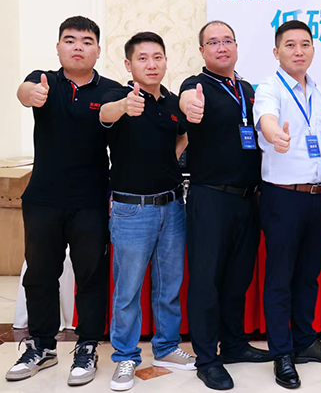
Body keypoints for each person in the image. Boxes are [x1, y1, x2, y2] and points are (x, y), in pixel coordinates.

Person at [6, 16, 122, 386]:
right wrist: (30, 94)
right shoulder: (44, 81)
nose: (77, 47)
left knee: (91, 275)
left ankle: (87, 346)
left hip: (91, 200)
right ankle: (41, 346)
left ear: (98, 50)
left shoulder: (111, 90)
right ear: (58, 47)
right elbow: (24, 91)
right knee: (40, 274)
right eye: (70, 40)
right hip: (43, 198)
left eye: (86, 42)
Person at [254, 20, 321, 390]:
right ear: (276, 52)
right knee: (280, 277)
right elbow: (266, 119)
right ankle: (282, 353)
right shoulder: (270, 88)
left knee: (308, 274)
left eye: (305, 44)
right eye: (290, 45)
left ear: (312, 49)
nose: (298, 51)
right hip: (283, 197)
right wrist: (274, 134)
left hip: (317, 197)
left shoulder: (318, 92)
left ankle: (305, 341)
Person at [179, 21, 272, 391]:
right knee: (206, 281)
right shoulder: (196, 86)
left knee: (238, 278)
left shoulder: (246, 90)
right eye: (213, 42)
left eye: (227, 40)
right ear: (202, 50)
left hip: (248, 199)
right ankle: (207, 358)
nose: (221, 47)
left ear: (236, 46)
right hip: (210, 198)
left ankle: (234, 344)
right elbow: (186, 102)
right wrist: (189, 105)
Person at [99, 32, 194, 391]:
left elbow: (183, 135)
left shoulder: (172, 102)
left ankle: (166, 348)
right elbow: (105, 115)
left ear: (166, 61)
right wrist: (124, 106)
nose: (151, 64)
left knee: (169, 285)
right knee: (128, 290)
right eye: (142, 58)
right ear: (128, 64)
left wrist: (169, 159)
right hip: (131, 210)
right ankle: (125, 356)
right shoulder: (117, 96)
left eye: (157, 57)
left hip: (173, 206)